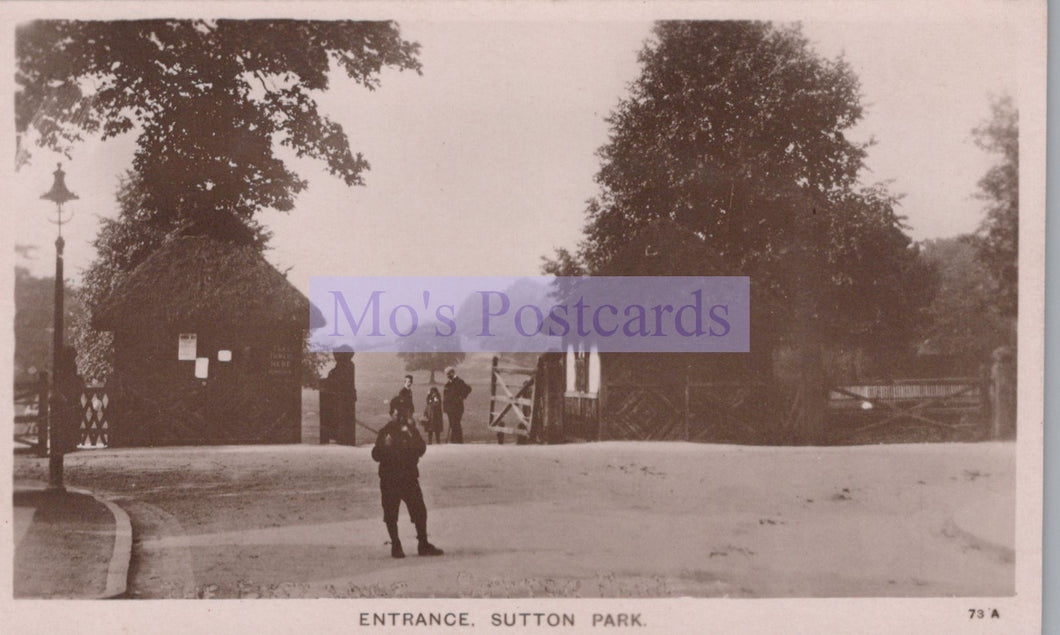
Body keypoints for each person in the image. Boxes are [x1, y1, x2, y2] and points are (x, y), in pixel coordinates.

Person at [371, 414, 443, 558]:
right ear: (392, 414)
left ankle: (423, 543)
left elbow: (421, 449)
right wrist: (385, 446)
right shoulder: (386, 431)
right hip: (390, 479)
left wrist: (411, 436)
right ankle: (396, 545)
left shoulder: (410, 431)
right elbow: (376, 455)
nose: (399, 417)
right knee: (391, 513)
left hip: (408, 478)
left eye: (402, 413)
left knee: (419, 511)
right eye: (397, 413)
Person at [320, 346, 357, 445]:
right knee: (343, 419)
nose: (335, 356)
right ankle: (342, 437)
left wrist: (326, 382)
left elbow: (338, 381)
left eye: (336, 354)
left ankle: (342, 438)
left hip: (342, 398)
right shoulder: (346, 365)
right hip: (344, 397)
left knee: (342, 419)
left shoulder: (344, 366)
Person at [442, 366, 471, 443]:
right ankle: (454, 441)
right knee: (452, 424)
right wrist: (445, 408)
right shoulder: (448, 383)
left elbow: (468, 389)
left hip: (457, 408)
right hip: (449, 408)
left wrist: (461, 397)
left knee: (456, 424)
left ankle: (458, 441)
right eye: (446, 374)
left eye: (448, 374)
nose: (447, 376)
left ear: (452, 373)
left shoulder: (459, 381)